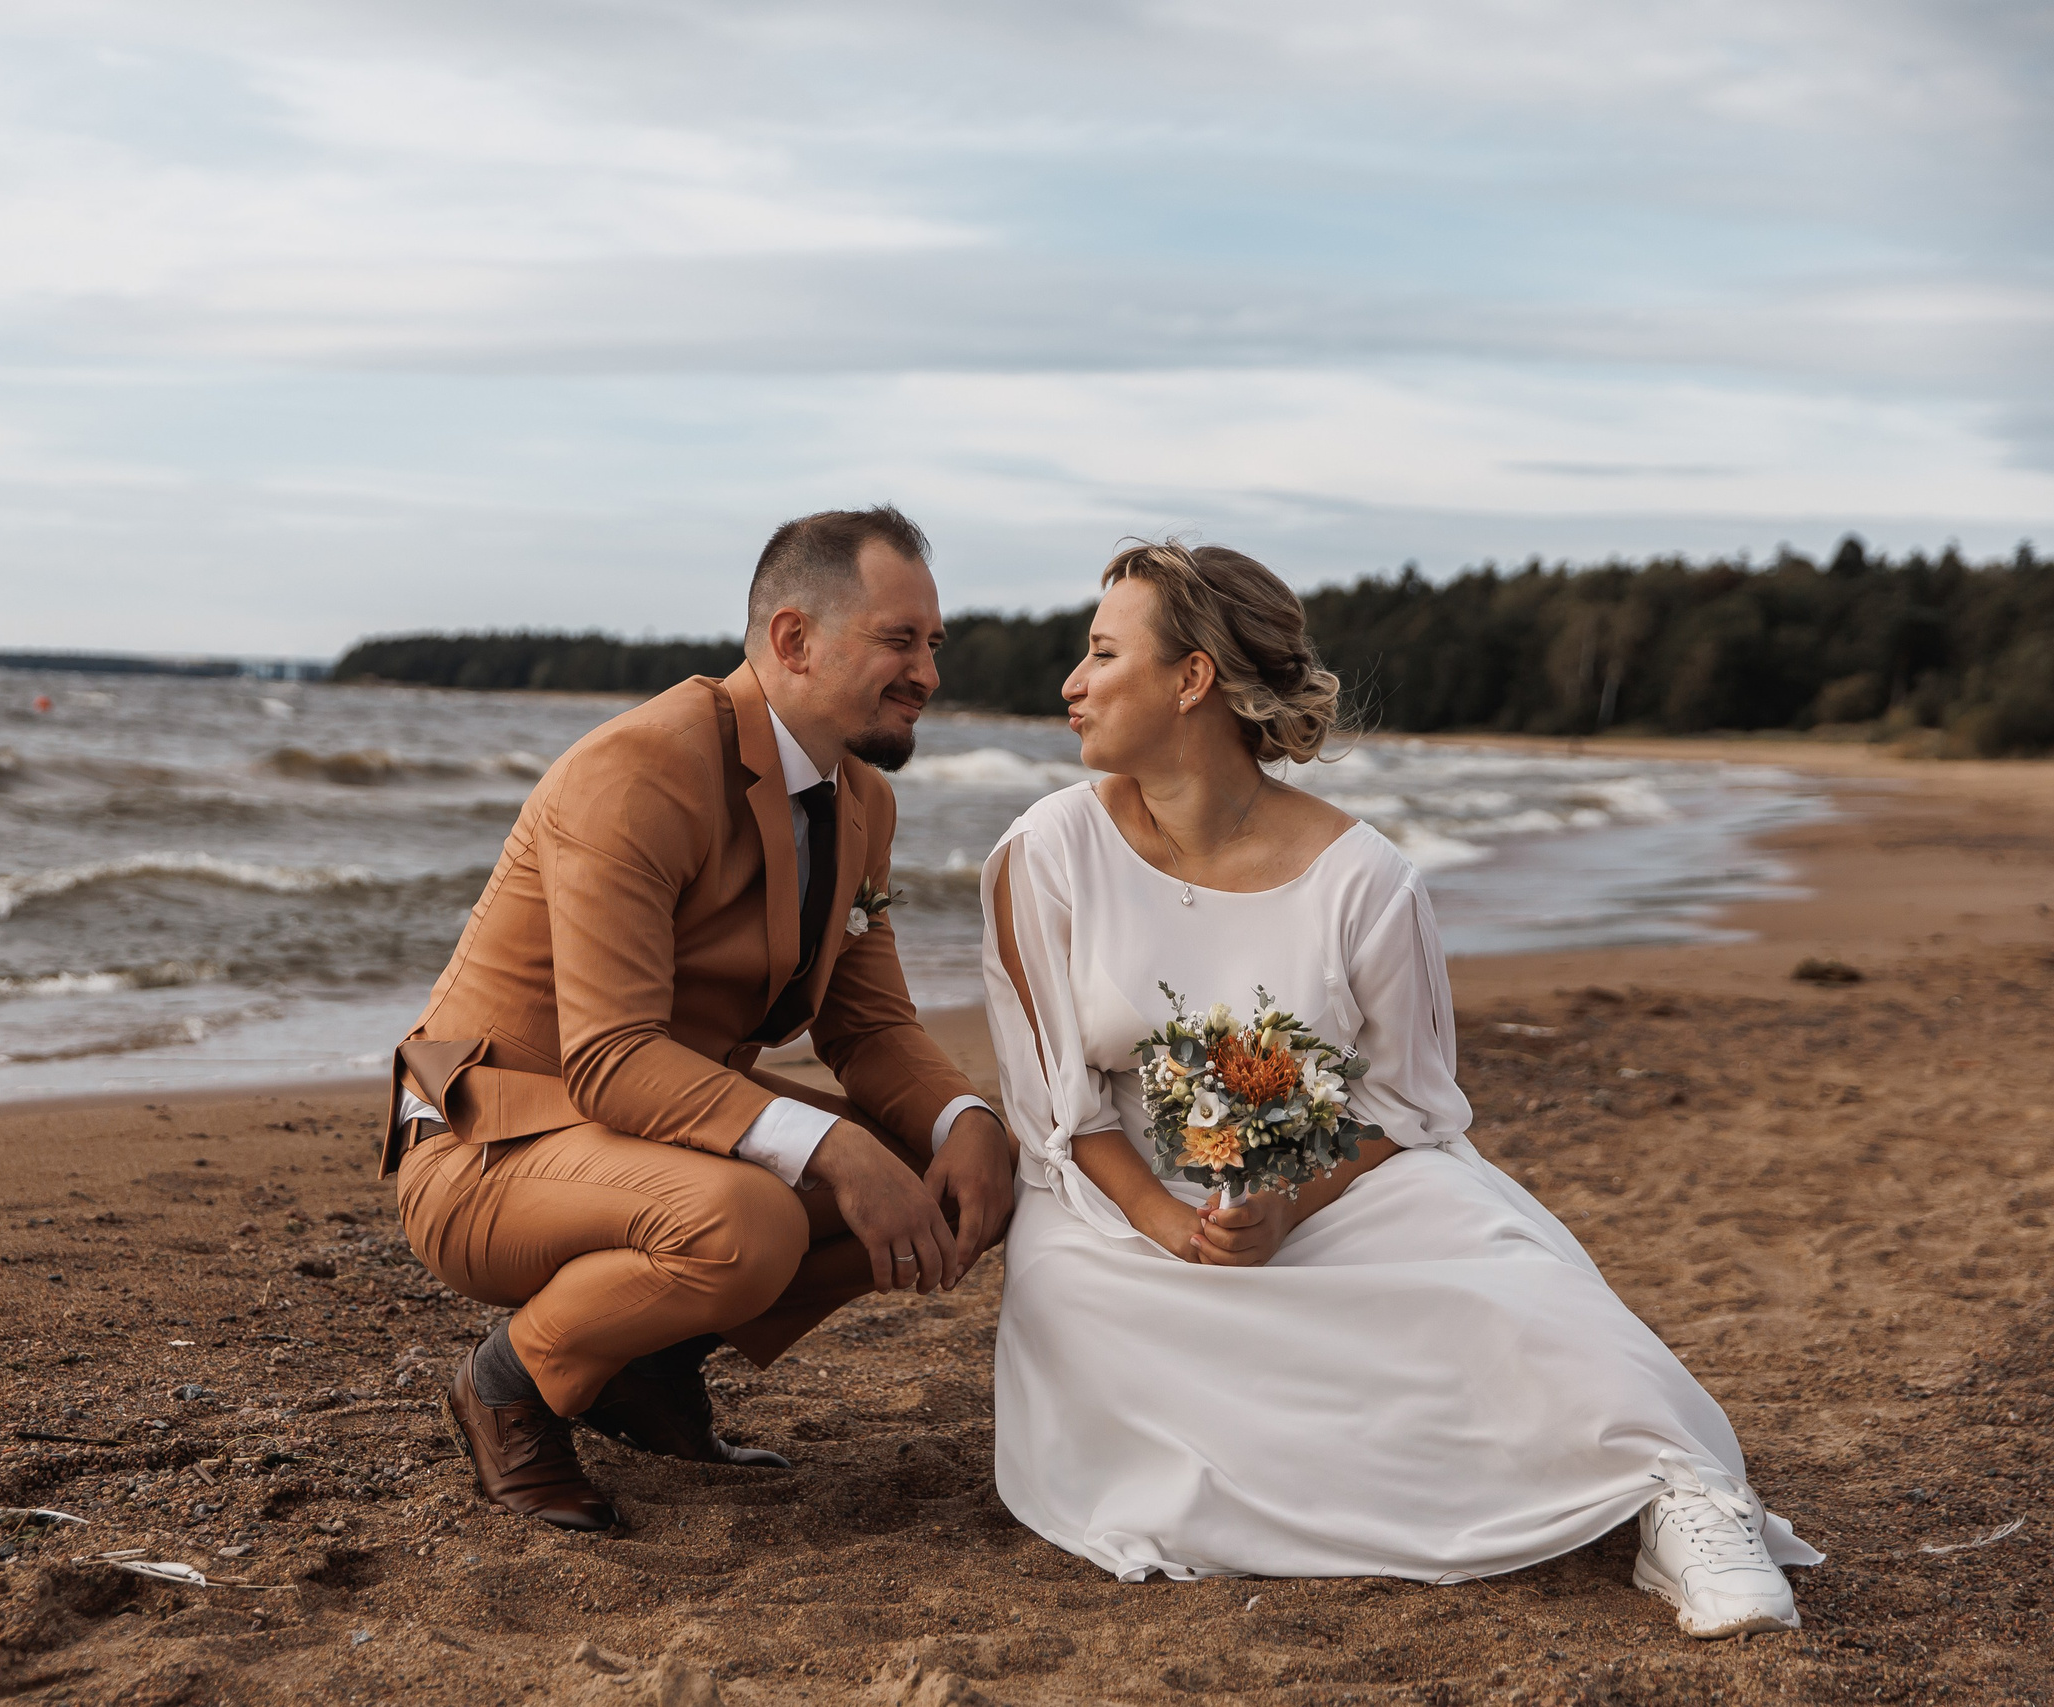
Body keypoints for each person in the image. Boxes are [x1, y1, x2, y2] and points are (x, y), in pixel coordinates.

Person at [980, 540, 1821, 1638]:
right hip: (1117, 1203)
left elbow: (1405, 1111)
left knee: (1511, 1284)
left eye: (1099, 653)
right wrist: (1168, 1224)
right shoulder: (1046, 852)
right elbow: (1057, 1113)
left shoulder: (1365, 880)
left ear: (1191, 679)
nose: (1072, 684)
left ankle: (1683, 1501)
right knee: (1084, 1310)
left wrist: (1285, 1201)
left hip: (1339, 1179)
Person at [391, 506, 1017, 1531]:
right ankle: (509, 1387)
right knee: (752, 1218)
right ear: (792, 641)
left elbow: (867, 1026)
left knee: (953, 1174)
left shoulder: (862, 799)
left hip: (648, 1134)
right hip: (485, 1141)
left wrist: (964, 1124)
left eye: (932, 645)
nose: (928, 675)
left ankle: (645, 1369)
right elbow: (610, 1055)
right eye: (900, 641)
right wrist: (837, 1154)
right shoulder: (637, 769)